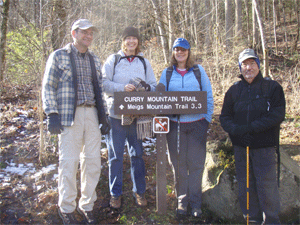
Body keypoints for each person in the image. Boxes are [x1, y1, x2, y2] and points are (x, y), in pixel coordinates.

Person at [42, 19, 110, 224]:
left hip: (92, 115)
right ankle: (67, 208)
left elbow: (99, 89)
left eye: (91, 33)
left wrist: (103, 115)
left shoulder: (95, 59)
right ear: (74, 33)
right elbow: (48, 86)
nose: (88, 36)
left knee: (93, 163)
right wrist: (52, 113)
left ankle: (87, 205)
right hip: (68, 116)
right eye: (84, 32)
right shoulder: (58, 56)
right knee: (69, 163)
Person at [220, 49, 285, 224]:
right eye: (244, 64)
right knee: (246, 187)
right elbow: (225, 117)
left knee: (267, 187)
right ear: (240, 68)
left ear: (258, 65)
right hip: (242, 147)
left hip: (264, 147)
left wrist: (252, 128)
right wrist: (238, 131)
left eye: (252, 63)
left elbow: (277, 115)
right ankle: (252, 220)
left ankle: (271, 220)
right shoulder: (233, 90)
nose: (248, 68)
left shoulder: (272, 88)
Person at [102, 27, 157, 209]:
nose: (131, 42)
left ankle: (139, 191)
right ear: (123, 41)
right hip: (116, 116)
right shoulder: (114, 59)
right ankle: (115, 194)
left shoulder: (143, 61)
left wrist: (145, 88)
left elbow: (153, 85)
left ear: (138, 41)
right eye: (128, 38)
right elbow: (103, 83)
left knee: (137, 155)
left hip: (137, 117)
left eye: (134, 38)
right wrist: (122, 88)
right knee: (116, 156)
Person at [159, 38, 214, 218]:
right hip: (175, 127)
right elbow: (159, 98)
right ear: (173, 52)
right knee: (179, 165)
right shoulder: (167, 73)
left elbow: (208, 96)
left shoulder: (198, 72)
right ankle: (182, 203)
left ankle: (196, 204)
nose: (180, 52)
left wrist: (205, 120)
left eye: (183, 49)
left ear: (189, 52)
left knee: (196, 165)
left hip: (197, 125)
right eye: (177, 49)